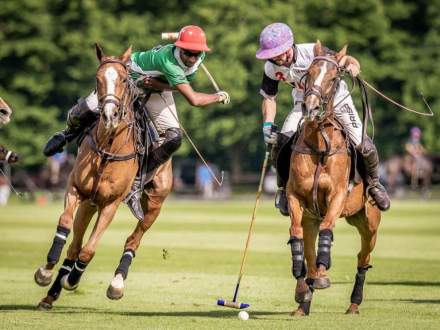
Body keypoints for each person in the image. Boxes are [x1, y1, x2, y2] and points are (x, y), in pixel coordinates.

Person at [43, 25, 230, 221]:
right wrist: (217, 97)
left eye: (196, 53)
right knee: (86, 109)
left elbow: (178, 86)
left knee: (174, 137)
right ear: (180, 49)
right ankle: (66, 135)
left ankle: (136, 182)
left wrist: (159, 86)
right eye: (188, 53)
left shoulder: (199, 58)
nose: (192, 58)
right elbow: (193, 99)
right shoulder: (169, 62)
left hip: (157, 88)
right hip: (128, 80)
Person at [256, 22, 390, 215]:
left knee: (363, 144)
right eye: (273, 54)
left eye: (280, 52)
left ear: (289, 46)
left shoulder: (311, 51)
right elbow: (269, 98)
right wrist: (267, 125)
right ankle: (284, 188)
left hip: (337, 101)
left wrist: (353, 66)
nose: (278, 57)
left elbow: (345, 59)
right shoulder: (270, 69)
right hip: (304, 103)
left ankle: (374, 184)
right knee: (282, 142)